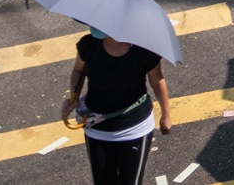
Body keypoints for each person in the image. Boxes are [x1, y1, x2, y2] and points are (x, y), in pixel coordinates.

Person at [64, 24, 172, 185]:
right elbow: (78, 71)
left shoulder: (144, 49)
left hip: (134, 128)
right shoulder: (88, 44)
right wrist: (74, 96)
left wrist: (166, 115)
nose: (94, 25)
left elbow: (157, 81)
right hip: (97, 129)